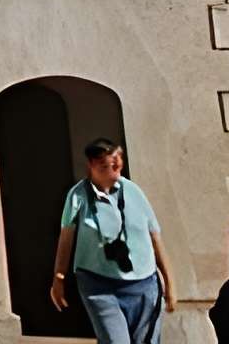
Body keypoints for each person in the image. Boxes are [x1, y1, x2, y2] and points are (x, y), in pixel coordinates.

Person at [51, 138, 172, 344]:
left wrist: (170, 283)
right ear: (92, 165)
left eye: (117, 161)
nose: (114, 167)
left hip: (143, 284)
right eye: (105, 163)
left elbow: (154, 236)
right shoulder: (78, 196)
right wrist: (58, 278)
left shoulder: (133, 191)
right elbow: (66, 240)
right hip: (99, 285)